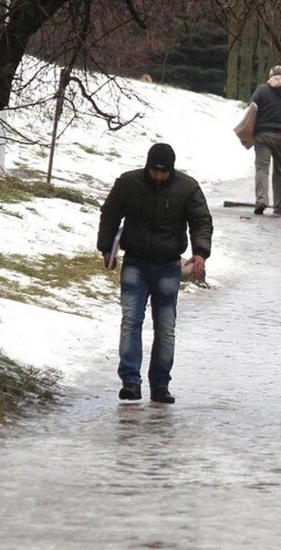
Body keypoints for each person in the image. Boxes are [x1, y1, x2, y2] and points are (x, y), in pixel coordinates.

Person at [97, 143, 213, 404]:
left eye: (164, 173)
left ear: (172, 170)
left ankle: (160, 385)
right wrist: (107, 249)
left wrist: (200, 252)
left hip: (168, 266)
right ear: (147, 166)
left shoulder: (187, 187)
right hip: (135, 263)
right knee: (131, 321)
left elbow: (201, 220)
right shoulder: (128, 183)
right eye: (154, 171)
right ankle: (130, 382)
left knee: (165, 327)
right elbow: (110, 214)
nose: (158, 177)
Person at [249, 65, 281, 215]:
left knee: (262, 168)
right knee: (280, 170)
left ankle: (261, 200)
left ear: (270, 76)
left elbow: (251, 107)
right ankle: (279, 206)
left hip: (263, 134)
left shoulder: (262, 90)